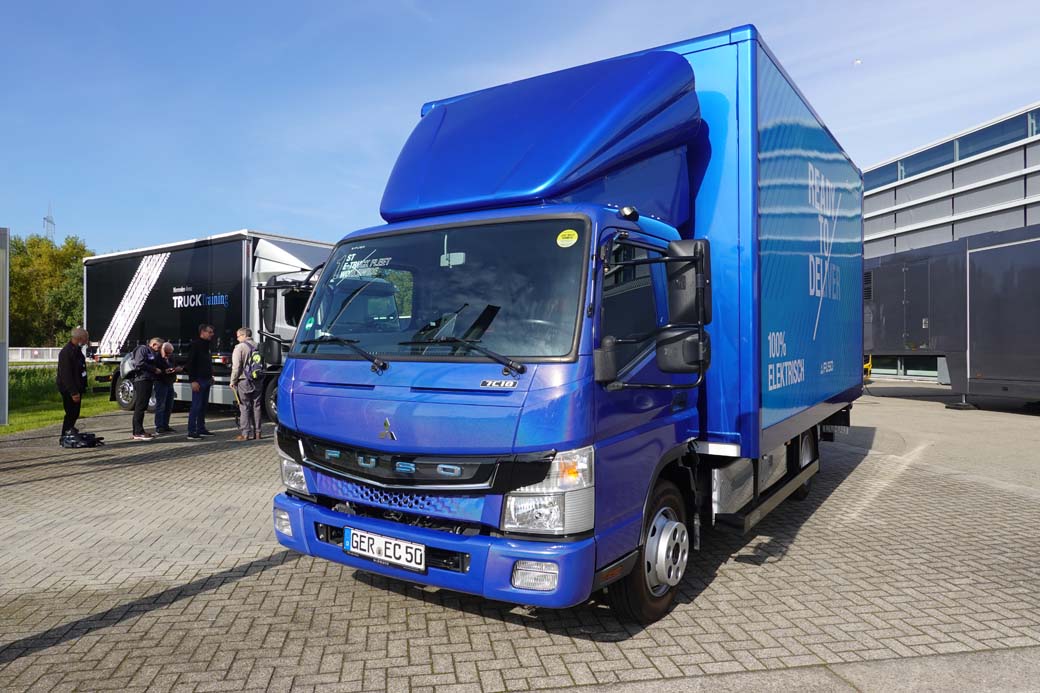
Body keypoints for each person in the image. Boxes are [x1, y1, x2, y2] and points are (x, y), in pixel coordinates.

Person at [56, 327, 89, 443]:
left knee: (75, 413)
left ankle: (70, 431)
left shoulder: (77, 351)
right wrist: (73, 392)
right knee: (70, 413)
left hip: (77, 387)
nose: (86, 341)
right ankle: (65, 435)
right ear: (79, 338)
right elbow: (66, 375)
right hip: (69, 389)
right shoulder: (66, 352)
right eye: (85, 338)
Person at [230, 327, 264, 441]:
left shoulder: (240, 347)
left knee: (244, 406)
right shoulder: (258, 346)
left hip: (244, 380)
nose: (237, 338)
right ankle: (258, 433)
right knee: (257, 406)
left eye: (238, 336)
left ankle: (245, 434)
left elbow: (236, 367)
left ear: (244, 335)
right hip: (257, 379)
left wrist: (232, 381)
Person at [131, 337, 164, 441]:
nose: (159, 349)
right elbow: (139, 363)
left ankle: (140, 430)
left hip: (148, 380)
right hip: (142, 380)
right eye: (159, 347)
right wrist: (154, 369)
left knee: (143, 406)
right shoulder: (143, 349)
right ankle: (137, 432)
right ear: (154, 344)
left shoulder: (152, 352)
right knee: (140, 406)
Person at [185, 324, 215, 441]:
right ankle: (191, 431)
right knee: (196, 406)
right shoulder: (195, 345)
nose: (212, 334)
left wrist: (211, 376)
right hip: (198, 380)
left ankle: (201, 428)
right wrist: (193, 380)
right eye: (210, 332)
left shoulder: (207, 345)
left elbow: (207, 362)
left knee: (203, 406)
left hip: (206, 379)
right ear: (202, 332)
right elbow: (190, 363)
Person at [153, 342, 180, 435]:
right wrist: (165, 371)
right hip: (160, 382)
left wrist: (176, 369)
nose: (168, 355)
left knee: (169, 405)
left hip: (169, 382)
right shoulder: (157, 357)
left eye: (170, 353)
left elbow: (175, 365)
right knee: (161, 405)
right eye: (167, 353)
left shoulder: (171, 357)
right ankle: (159, 426)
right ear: (162, 350)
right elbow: (154, 370)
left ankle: (165, 425)